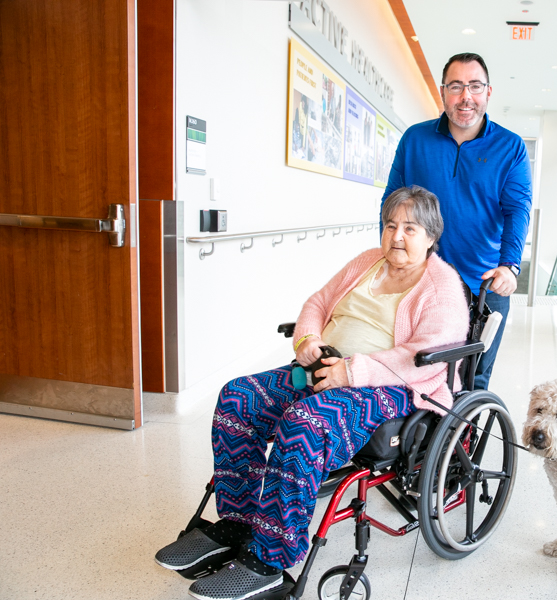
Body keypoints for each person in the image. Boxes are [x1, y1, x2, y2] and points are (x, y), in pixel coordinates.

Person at [155, 186, 470, 600]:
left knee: (303, 425)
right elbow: (318, 302)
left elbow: (422, 357)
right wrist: (307, 338)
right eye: (390, 225)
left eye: (410, 228)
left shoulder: (443, 285)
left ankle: (271, 557)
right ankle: (239, 520)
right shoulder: (366, 262)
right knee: (237, 399)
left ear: (431, 236)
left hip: (389, 388)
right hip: (322, 366)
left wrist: (352, 371)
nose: (397, 236)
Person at [382, 52, 532, 390]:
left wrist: (510, 266)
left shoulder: (511, 147)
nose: (466, 96)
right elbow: (391, 201)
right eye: (456, 86)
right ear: (442, 92)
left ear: (488, 92)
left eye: (475, 86)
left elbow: (517, 210)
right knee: (412, 364)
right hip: (420, 278)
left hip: (484, 282)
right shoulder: (415, 139)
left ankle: (465, 437)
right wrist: (392, 250)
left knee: (473, 376)